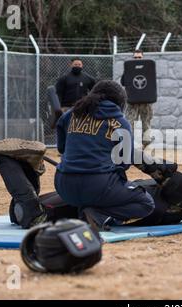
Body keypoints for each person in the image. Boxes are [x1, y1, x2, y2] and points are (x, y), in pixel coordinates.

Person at [0, 139, 182, 229]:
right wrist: (127, 150)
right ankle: (6, 161)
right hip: (103, 199)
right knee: (28, 215)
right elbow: (158, 170)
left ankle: (24, 164)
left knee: (18, 213)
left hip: (97, 194)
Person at [54, 80, 155, 226]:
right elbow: (124, 163)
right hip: (98, 186)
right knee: (146, 203)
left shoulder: (71, 114)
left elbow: (61, 148)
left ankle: (86, 209)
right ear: (120, 101)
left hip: (63, 186)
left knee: (87, 195)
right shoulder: (120, 122)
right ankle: (99, 215)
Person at [121, 49, 154, 148]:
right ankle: (128, 144)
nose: (137, 59)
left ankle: (146, 144)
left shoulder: (148, 68)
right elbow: (123, 82)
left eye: (139, 57)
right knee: (129, 123)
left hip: (146, 101)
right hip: (132, 101)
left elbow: (152, 84)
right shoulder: (129, 69)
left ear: (142, 57)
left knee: (146, 122)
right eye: (135, 57)